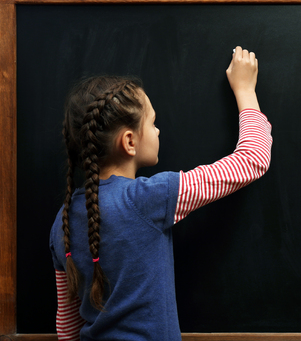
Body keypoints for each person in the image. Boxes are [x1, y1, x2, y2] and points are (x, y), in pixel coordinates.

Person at [49, 46, 272, 341]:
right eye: (152, 123)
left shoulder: (61, 224)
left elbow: (66, 327)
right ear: (129, 141)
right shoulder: (149, 199)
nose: (157, 131)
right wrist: (245, 90)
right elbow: (252, 159)